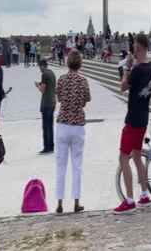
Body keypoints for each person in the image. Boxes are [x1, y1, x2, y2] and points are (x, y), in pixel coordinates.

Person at [112, 33, 151, 214]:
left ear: (137, 48)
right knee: (137, 156)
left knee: (124, 158)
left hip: (132, 118)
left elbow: (123, 86)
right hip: (144, 117)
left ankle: (129, 200)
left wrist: (127, 68)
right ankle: (144, 194)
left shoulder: (138, 70)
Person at [54, 51, 91, 213]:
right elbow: (85, 101)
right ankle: (76, 201)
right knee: (77, 165)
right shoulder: (83, 80)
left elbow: (59, 99)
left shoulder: (62, 79)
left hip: (63, 123)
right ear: (80, 63)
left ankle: (60, 203)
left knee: (61, 165)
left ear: (68, 63)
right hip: (77, 125)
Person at [35, 58, 56, 154]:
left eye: (40, 67)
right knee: (50, 125)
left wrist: (38, 86)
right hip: (52, 102)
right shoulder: (51, 73)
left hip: (46, 103)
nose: (39, 69)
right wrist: (41, 83)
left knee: (45, 126)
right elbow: (48, 84)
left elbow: (42, 90)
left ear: (43, 65)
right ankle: (51, 146)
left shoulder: (44, 74)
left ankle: (46, 147)